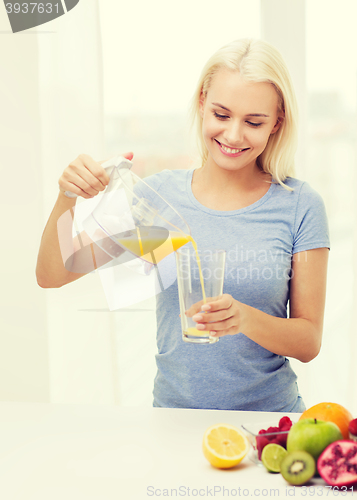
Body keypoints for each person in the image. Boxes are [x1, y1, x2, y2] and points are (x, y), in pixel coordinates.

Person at [36, 38, 330, 412]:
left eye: (254, 121)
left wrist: (243, 318)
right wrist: (68, 196)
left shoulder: (298, 205)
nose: (234, 135)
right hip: (175, 424)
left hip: (268, 424)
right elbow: (53, 274)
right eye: (222, 115)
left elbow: (308, 341)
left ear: (277, 123)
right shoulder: (161, 201)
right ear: (202, 102)